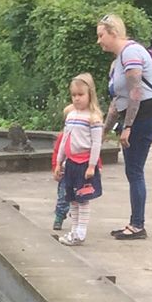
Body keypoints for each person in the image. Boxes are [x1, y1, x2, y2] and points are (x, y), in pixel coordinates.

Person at [97, 12, 152, 242]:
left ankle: (137, 225)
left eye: (101, 35)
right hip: (134, 119)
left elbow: (136, 92)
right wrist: (105, 130)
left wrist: (128, 126)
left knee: (135, 171)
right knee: (132, 171)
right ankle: (135, 222)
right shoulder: (118, 61)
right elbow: (118, 100)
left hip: (144, 118)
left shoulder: (131, 53)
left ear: (113, 33)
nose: (99, 41)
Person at [52, 73, 104, 246]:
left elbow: (96, 143)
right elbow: (65, 140)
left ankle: (81, 232)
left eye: (81, 94)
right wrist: (59, 162)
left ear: (90, 95)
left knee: (83, 198)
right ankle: (74, 230)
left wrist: (92, 165)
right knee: (72, 198)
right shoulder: (71, 115)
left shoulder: (93, 118)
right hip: (71, 163)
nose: (77, 98)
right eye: (74, 95)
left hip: (84, 163)